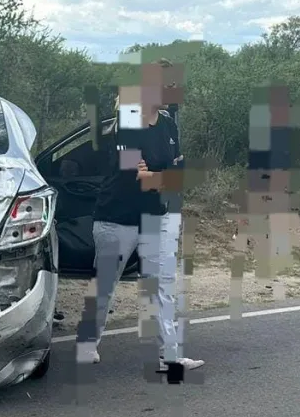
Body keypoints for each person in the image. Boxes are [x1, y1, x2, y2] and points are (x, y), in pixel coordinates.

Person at [75, 79, 204, 373]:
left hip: (154, 215)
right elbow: (140, 176)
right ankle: (87, 344)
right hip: (116, 216)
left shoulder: (169, 125)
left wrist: (164, 174)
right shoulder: (127, 123)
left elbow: (179, 170)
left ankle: (169, 356)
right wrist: (166, 175)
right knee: (106, 284)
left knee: (160, 285)